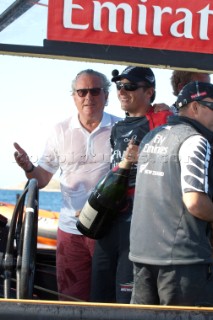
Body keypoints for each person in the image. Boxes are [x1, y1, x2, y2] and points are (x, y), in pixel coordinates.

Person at [13, 69, 121, 301]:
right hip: (71, 231)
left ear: (106, 96)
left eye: (94, 91)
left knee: (110, 302)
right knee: (70, 300)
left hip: (109, 231)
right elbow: (41, 179)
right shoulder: (59, 131)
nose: (88, 97)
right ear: (74, 96)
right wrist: (28, 166)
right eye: (82, 92)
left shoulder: (122, 129)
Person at [90, 66, 172, 303]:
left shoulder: (162, 119)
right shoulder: (117, 128)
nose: (122, 91)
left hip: (140, 221)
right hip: (110, 218)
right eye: (119, 87)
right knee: (99, 294)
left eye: (130, 86)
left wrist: (145, 155)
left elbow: (176, 160)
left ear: (149, 92)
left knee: (126, 299)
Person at [129, 81, 213, 306]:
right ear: (195, 108)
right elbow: (195, 202)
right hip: (182, 263)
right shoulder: (195, 140)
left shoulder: (151, 136)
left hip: (140, 257)